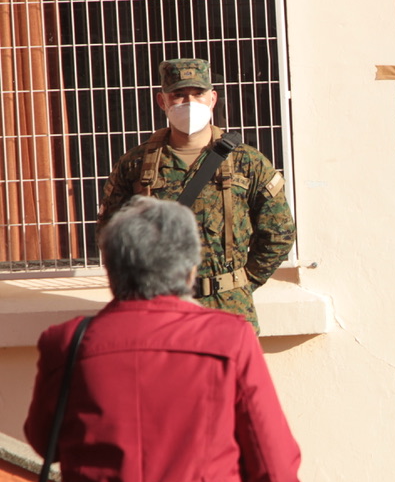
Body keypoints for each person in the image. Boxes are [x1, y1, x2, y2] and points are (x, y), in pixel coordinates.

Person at [24, 197, 311, 482]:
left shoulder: (68, 346)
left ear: (112, 271)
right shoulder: (229, 339)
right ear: (190, 271)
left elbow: (44, 441)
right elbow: (276, 468)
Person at [97, 58, 296, 333]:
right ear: (162, 101)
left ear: (212, 99)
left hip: (229, 309)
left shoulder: (247, 162)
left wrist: (242, 282)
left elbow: (279, 233)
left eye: (198, 93)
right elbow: (111, 233)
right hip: (159, 310)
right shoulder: (136, 164)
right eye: (178, 95)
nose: (189, 102)